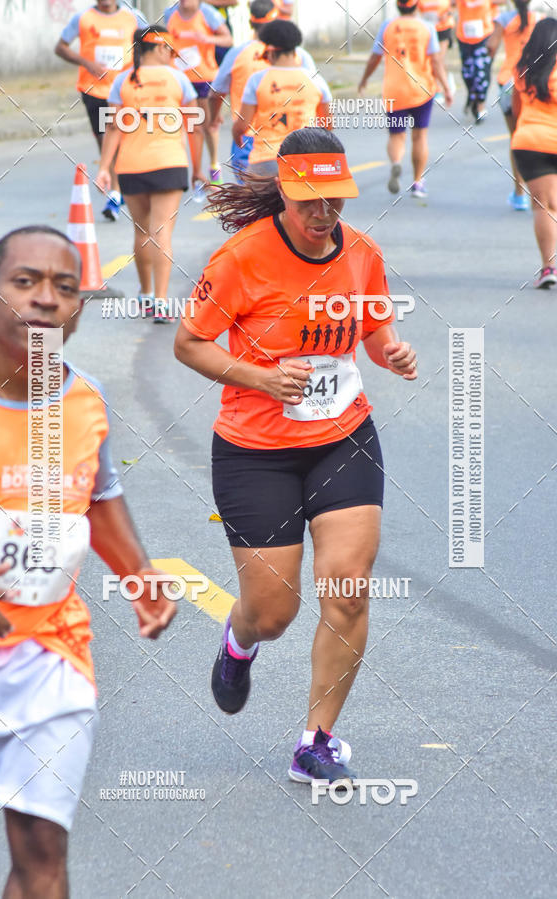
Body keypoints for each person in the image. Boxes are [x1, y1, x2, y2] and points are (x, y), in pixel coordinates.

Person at [174, 127, 418, 783]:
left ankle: (317, 738)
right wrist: (258, 377)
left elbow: (374, 327)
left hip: (343, 439)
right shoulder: (241, 258)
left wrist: (390, 351)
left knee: (347, 591)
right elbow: (189, 344)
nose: (324, 213)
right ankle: (239, 639)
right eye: (310, 199)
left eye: (335, 198)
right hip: (256, 451)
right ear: (284, 190)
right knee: (273, 610)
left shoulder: (362, 253)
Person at [0, 226, 177, 898]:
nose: (46, 300)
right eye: (25, 282)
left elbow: (99, 496)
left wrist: (138, 576)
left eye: (64, 287)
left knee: (43, 851)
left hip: (51, 654)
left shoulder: (84, 400)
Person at [96, 26, 198, 323]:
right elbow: (195, 127)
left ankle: (145, 294)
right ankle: (163, 303)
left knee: (141, 232)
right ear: (161, 48)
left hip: (131, 166)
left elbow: (114, 128)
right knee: (161, 233)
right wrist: (200, 167)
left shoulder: (123, 80)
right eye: (170, 48)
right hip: (169, 163)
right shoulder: (179, 79)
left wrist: (104, 168)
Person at [55, 0, 148, 222]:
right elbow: (60, 47)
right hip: (94, 90)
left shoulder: (133, 16)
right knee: (105, 140)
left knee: (123, 138)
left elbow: (149, 44)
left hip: (125, 88)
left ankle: (119, 190)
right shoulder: (83, 18)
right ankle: (116, 190)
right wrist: (87, 63)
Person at [210, 0, 316, 180]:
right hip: (297, 141)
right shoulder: (299, 55)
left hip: (249, 140)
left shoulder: (237, 54)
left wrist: (214, 116)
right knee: (295, 202)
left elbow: (216, 92)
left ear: (251, 23)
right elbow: (316, 95)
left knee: (254, 201)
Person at [359, 0, 453, 199]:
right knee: (419, 136)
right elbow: (436, 61)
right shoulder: (427, 27)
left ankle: (396, 163)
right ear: (417, 5)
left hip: (394, 91)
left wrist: (364, 79)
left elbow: (375, 57)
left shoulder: (387, 26)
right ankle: (418, 182)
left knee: (396, 136)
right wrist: (446, 88)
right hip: (422, 90)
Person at [233, 20, 332, 177]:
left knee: (254, 199)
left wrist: (236, 134)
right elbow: (327, 125)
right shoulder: (316, 80)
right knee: (306, 201)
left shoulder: (257, 80)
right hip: (304, 160)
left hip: (265, 161)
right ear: (295, 50)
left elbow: (242, 125)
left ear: (270, 50)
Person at [163, 0, 233, 198]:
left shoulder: (208, 13)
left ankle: (213, 167)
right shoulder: (170, 14)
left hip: (204, 77)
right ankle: (188, 170)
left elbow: (227, 39)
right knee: (187, 126)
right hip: (179, 78)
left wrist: (208, 38)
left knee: (208, 126)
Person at [511, 18, 557, 287]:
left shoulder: (522, 70)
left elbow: (517, 110)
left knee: (543, 206)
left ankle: (549, 268)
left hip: (529, 142)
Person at [487, 0, 543, 211]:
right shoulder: (540, 19)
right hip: (533, 83)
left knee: (516, 138)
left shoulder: (504, 20)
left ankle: (520, 194)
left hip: (509, 82)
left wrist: (488, 53)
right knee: (537, 136)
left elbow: (491, 46)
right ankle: (540, 192)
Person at [452, 0, 494, 121]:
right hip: (464, 37)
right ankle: (472, 97)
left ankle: (481, 105)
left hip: (483, 36)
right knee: (467, 73)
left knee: (481, 72)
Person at [418, 0, 457, 99]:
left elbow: (457, 3)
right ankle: (446, 79)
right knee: (431, 61)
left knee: (438, 59)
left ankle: (438, 90)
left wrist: (448, 13)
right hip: (428, 29)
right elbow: (416, 8)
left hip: (443, 28)